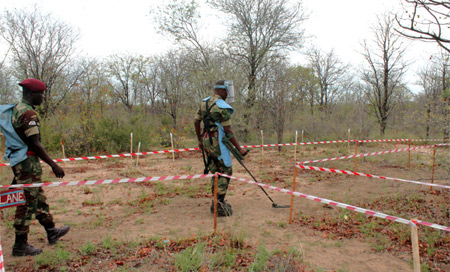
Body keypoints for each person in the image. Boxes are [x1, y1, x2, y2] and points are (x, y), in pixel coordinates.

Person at [2, 79, 70, 256]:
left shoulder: (16, 110)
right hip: (27, 162)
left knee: (38, 198)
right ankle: (20, 245)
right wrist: (54, 165)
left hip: (21, 162)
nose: (43, 97)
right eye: (41, 94)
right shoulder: (28, 114)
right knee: (26, 202)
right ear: (31, 94)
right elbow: (35, 144)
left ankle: (51, 231)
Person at [194, 80, 248, 216]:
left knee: (215, 170)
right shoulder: (222, 107)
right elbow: (228, 131)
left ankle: (216, 201)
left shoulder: (204, 102)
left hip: (206, 140)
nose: (228, 94)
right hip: (217, 142)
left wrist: (200, 139)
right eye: (227, 91)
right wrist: (239, 149)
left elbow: (196, 121)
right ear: (222, 91)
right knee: (225, 170)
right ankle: (219, 204)